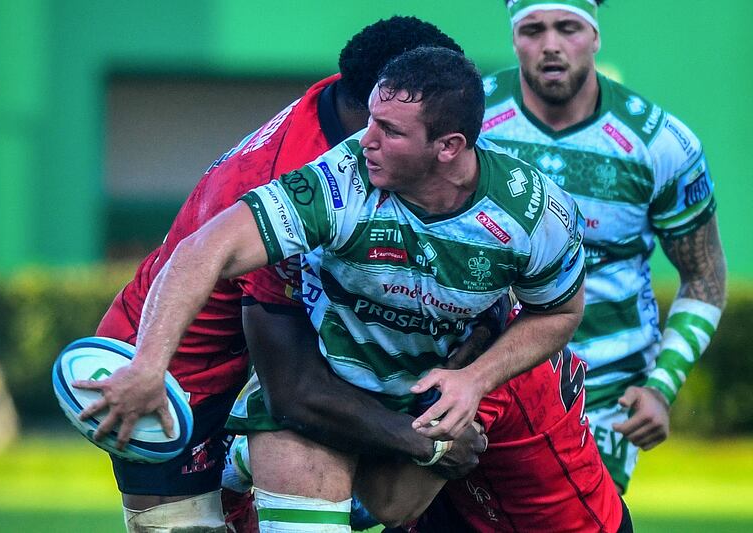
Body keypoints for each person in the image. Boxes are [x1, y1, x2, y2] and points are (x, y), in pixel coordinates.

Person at [99, 45, 585, 532]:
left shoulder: (534, 214)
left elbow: (558, 313)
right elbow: (203, 250)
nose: (366, 139)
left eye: (390, 131)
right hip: (322, 398)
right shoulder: (339, 180)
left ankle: (245, 461)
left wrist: (474, 380)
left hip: (417, 400)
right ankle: (255, 449)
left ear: (449, 146)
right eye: (371, 118)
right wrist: (147, 365)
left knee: (394, 508)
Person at [72, 16, 471, 532]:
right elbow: (291, 389)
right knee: (179, 527)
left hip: (246, 349)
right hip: (168, 363)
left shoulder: (343, 104)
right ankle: (242, 455)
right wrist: (428, 443)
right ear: (372, 103)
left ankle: (244, 461)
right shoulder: (299, 183)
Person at [478, 0, 727, 493]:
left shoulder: (660, 143)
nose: (550, 45)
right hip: (482, 377)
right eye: (532, 29)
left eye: (567, 27)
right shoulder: (470, 120)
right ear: (513, 38)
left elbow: (705, 279)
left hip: (603, 393)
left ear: (595, 36)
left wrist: (661, 386)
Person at [230, 302, 632, 532]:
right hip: (475, 510)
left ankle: (232, 467)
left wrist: (270, 461)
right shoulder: (488, 325)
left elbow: (391, 504)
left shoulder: (483, 375)